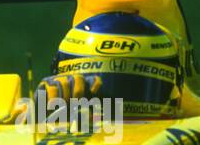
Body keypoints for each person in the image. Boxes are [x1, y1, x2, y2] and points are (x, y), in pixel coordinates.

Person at [34, 11, 184, 121]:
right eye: (94, 96)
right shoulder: (40, 125)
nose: (118, 121)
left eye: (136, 89)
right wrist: (37, 119)